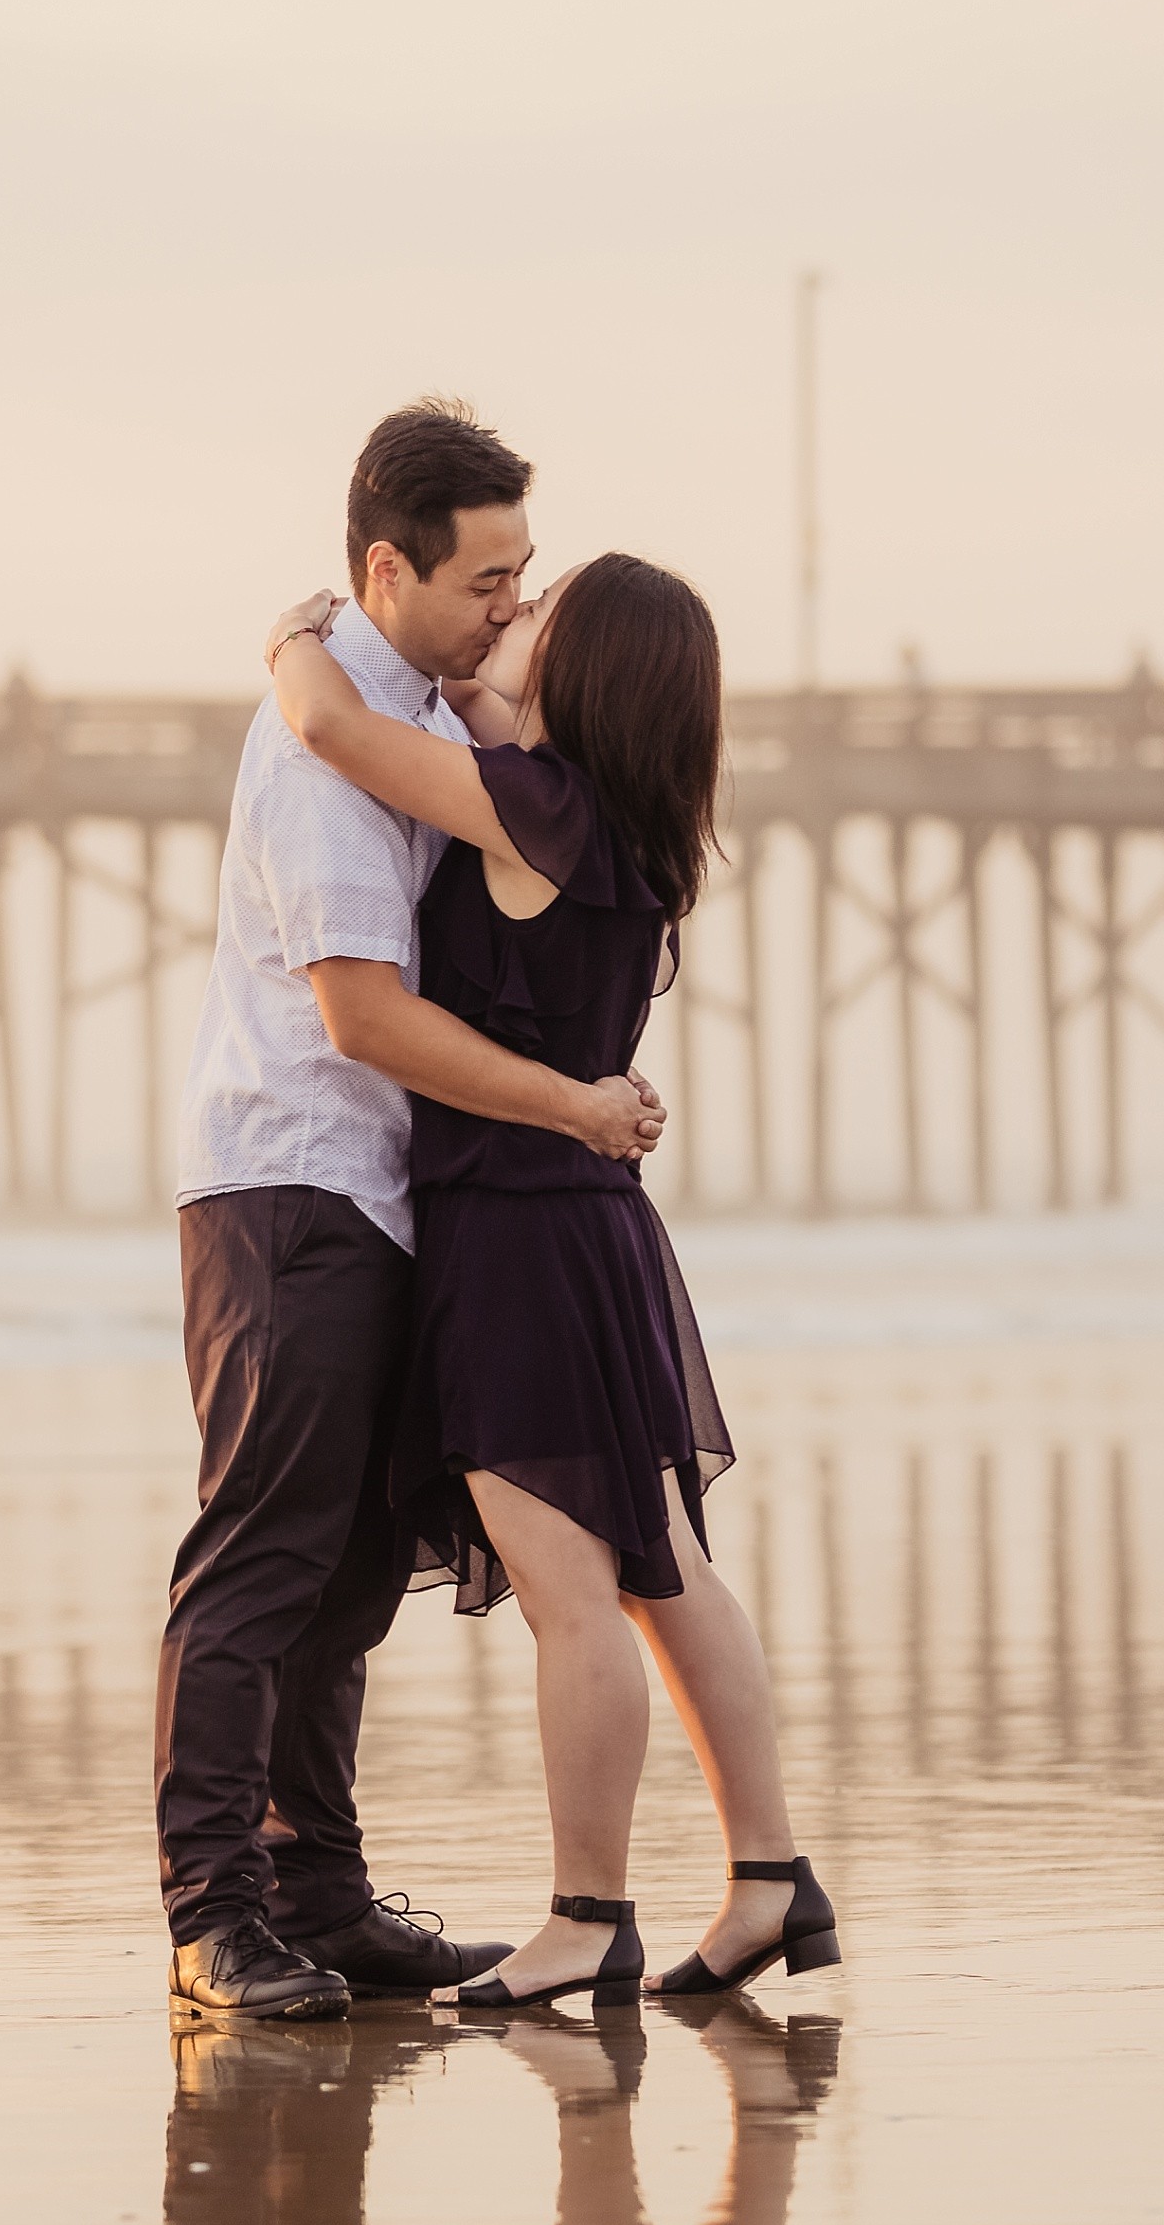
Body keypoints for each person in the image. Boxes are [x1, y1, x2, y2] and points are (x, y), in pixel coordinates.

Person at [265, 555, 842, 2009]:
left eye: (535, 614)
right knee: (663, 1566)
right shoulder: (619, 830)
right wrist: (485, 695)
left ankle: (589, 1911)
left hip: (516, 1237)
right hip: (594, 1224)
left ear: (581, 676)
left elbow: (334, 733)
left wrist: (292, 643)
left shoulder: (535, 809)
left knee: (575, 1595)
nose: (504, 619)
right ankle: (769, 1873)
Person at [159, 402, 670, 2023]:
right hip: (290, 1180)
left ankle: (317, 1893)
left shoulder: (414, 728)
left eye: (524, 577)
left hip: (382, 1200)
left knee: (355, 1565)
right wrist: (579, 1107)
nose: (513, 611)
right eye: (485, 583)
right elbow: (363, 1019)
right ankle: (214, 1910)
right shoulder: (333, 745)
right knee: (262, 1553)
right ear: (387, 569)